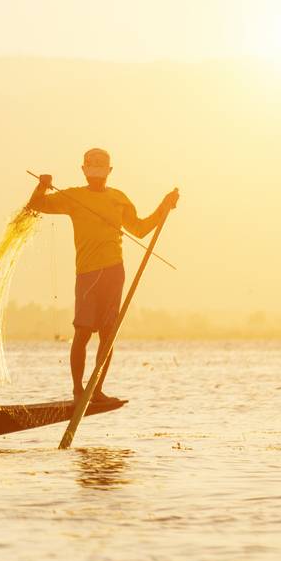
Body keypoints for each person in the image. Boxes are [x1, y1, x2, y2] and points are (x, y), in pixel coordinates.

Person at [27, 148, 178, 402]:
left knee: (108, 335)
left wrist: (164, 207)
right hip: (87, 273)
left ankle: (95, 391)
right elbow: (36, 205)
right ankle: (78, 390)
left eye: (100, 172)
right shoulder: (72, 197)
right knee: (83, 332)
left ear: (108, 172)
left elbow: (139, 229)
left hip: (114, 272)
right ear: (84, 172)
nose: (96, 177)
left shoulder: (118, 199)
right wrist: (42, 186)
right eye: (92, 171)